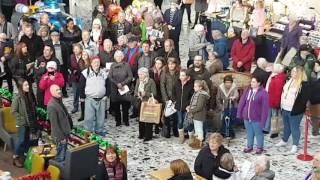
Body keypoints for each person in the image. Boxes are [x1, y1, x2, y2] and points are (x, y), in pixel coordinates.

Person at [276, 66, 310, 154]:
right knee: (286, 126)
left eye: (294, 71)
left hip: (295, 110)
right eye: (292, 71)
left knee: (294, 127)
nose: (292, 73)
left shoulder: (304, 84)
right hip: (285, 108)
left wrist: (297, 109)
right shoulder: (290, 80)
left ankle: (295, 145)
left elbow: (303, 100)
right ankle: (284, 140)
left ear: (299, 73)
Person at [237, 76, 269, 154]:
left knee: (258, 133)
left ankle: (259, 147)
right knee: (249, 132)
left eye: (254, 82)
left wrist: (263, 121)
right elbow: (242, 102)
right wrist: (239, 112)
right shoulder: (248, 91)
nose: (252, 83)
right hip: (247, 117)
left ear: (259, 83)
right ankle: (249, 146)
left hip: (257, 118)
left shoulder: (263, 93)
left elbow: (265, 109)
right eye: (251, 82)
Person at [11, 79, 37, 168]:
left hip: (29, 122)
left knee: (27, 140)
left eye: (28, 85)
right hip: (22, 124)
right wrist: (22, 120)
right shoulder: (17, 97)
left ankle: (25, 156)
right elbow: (13, 111)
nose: (28, 87)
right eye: (25, 85)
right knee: (21, 140)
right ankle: (15, 157)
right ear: (21, 87)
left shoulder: (28, 95)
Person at [79, 57, 108, 136]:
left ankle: (99, 130)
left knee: (101, 117)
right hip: (90, 98)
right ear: (91, 63)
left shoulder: (103, 72)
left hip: (102, 98)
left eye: (98, 62)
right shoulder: (85, 72)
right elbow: (81, 85)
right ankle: (87, 131)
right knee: (89, 117)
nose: (96, 64)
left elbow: (108, 84)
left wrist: (106, 95)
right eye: (95, 62)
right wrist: (82, 97)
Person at [47, 84, 72, 162]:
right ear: (51, 92)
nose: (59, 91)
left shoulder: (59, 101)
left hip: (64, 133)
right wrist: (61, 138)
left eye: (59, 89)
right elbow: (55, 125)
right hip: (59, 136)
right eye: (56, 90)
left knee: (63, 154)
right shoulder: (51, 105)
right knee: (60, 156)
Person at [108, 50, 133, 126]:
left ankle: (126, 120)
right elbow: (110, 77)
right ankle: (118, 121)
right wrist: (117, 83)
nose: (118, 58)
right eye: (117, 56)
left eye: (120, 56)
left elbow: (130, 76)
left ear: (122, 57)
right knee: (116, 107)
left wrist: (122, 83)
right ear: (115, 57)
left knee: (125, 107)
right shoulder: (112, 65)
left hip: (124, 88)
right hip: (115, 89)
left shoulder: (127, 65)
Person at [34, 43, 60, 107]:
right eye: (44, 49)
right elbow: (35, 71)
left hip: (50, 85)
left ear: (51, 52)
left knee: (50, 102)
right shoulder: (38, 60)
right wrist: (44, 71)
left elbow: (57, 72)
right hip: (41, 84)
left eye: (47, 50)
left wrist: (45, 74)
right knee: (40, 102)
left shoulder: (55, 61)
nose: (45, 51)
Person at [186, 80, 210, 149]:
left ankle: (199, 143)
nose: (194, 88)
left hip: (199, 115)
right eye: (194, 86)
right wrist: (190, 107)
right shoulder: (197, 94)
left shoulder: (201, 95)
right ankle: (196, 142)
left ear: (200, 88)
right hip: (196, 115)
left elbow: (199, 107)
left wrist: (190, 110)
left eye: (195, 86)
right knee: (196, 130)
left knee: (199, 130)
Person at [265, 64, 286, 138]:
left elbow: (277, 92)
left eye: (274, 68)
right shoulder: (276, 77)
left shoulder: (277, 79)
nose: (272, 68)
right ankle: (276, 131)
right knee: (275, 117)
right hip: (273, 100)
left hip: (275, 101)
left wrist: (276, 103)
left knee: (276, 117)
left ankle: (277, 131)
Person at [173, 69, 194, 143]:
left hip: (187, 107)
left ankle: (191, 137)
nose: (181, 77)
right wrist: (174, 100)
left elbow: (192, 96)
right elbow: (173, 92)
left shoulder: (190, 85)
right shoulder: (177, 83)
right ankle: (181, 136)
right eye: (180, 75)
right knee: (180, 121)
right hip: (178, 106)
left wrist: (189, 105)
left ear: (187, 76)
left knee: (188, 123)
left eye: (183, 75)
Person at [161, 57, 180, 138]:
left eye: (173, 64)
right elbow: (162, 85)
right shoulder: (165, 73)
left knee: (175, 116)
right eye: (169, 64)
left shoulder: (178, 73)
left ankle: (175, 130)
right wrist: (166, 99)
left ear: (175, 64)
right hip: (167, 97)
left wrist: (177, 98)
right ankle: (167, 131)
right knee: (167, 116)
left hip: (175, 97)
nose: (171, 65)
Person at [136, 67, 157, 142]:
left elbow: (154, 93)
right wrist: (138, 94)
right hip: (140, 102)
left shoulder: (151, 81)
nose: (140, 76)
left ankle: (148, 135)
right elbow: (135, 91)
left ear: (145, 74)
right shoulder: (138, 81)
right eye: (139, 74)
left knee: (148, 120)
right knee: (140, 119)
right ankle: (141, 134)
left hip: (148, 103)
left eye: (141, 74)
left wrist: (146, 94)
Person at [49, 31, 70, 98]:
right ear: (51, 37)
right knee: (53, 79)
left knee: (63, 78)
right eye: (53, 36)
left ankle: (64, 91)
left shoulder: (63, 44)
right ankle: (54, 92)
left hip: (62, 64)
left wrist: (67, 65)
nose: (55, 37)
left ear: (59, 37)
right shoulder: (49, 45)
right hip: (53, 66)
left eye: (57, 36)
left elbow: (67, 55)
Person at [70, 43, 85, 114]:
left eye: (77, 49)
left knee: (83, 93)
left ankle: (85, 106)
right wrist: (72, 71)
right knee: (75, 93)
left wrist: (78, 71)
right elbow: (69, 66)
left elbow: (85, 66)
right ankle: (75, 106)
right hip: (74, 77)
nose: (75, 50)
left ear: (81, 50)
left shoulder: (84, 56)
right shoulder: (71, 57)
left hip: (82, 77)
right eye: (74, 49)